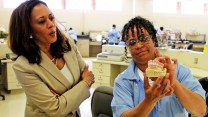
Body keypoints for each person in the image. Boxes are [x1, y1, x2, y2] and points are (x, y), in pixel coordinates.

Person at [8, 0, 94, 117]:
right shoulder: (23, 66)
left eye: (51, 17)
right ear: (27, 30)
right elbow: (56, 109)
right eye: (42, 21)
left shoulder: (66, 43)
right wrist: (83, 83)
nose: (51, 24)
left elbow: (88, 74)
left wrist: (62, 98)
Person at [111, 16, 206, 117]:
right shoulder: (123, 81)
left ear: (154, 40)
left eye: (143, 38)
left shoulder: (178, 71)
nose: (138, 45)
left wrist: (174, 83)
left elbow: (200, 110)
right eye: (132, 42)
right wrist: (149, 101)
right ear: (128, 48)